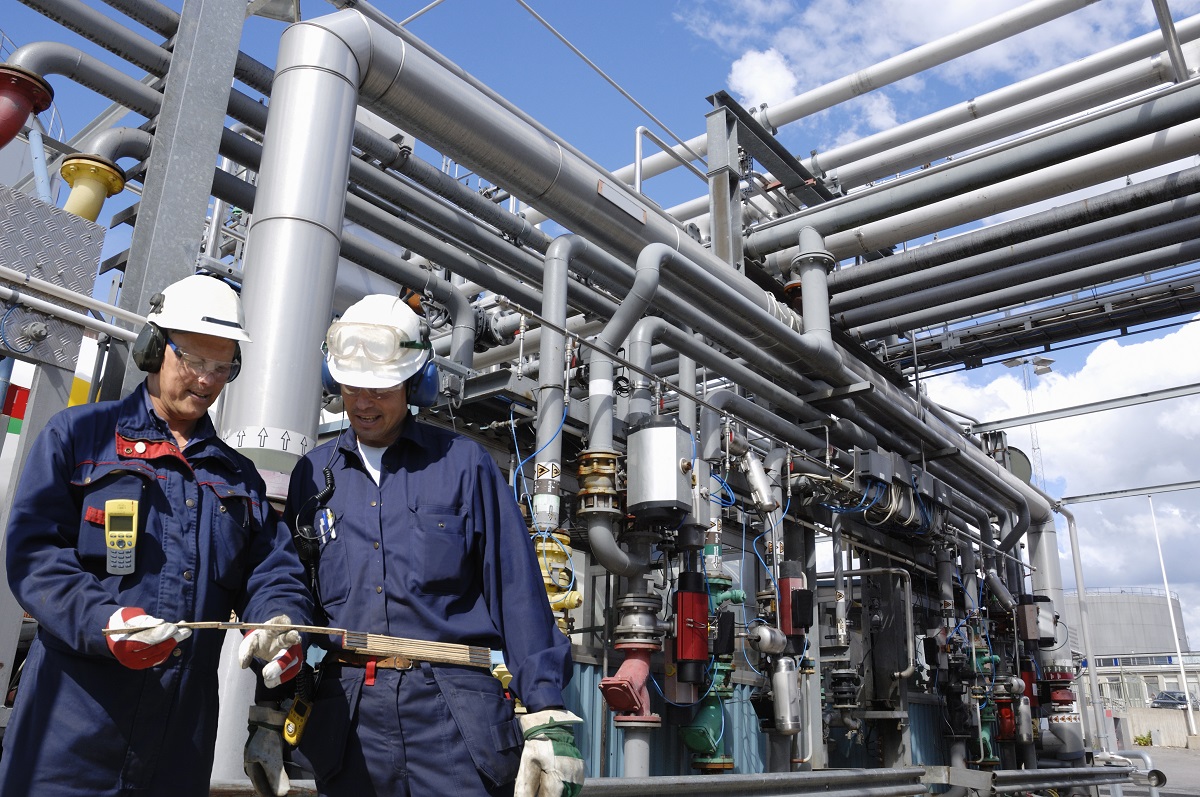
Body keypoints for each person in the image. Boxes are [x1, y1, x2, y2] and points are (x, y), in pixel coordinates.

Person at [0, 274, 313, 797]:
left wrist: (281, 622)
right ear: (153, 348)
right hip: (69, 735)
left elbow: (271, 570)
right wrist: (103, 621)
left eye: (223, 366)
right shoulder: (80, 437)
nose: (208, 380)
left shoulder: (239, 478)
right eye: (193, 360)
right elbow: (34, 555)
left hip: (176, 746)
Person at [281, 294, 583, 797]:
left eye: (379, 389)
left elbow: (517, 592)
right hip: (349, 718)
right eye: (351, 387)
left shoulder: (464, 466)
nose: (362, 402)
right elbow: (292, 598)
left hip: (454, 718)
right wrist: (269, 714)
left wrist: (547, 712)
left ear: (415, 382)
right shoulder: (312, 475)